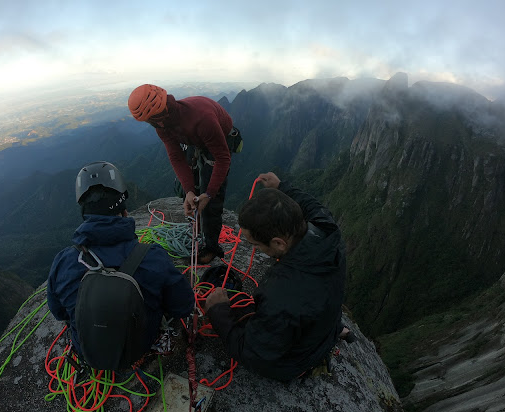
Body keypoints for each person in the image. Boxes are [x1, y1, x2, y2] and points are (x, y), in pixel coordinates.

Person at [204, 172, 351, 382]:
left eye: (255, 244)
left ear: (279, 243)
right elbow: (311, 205)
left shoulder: (281, 293)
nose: (253, 248)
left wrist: (218, 312)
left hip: (297, 360)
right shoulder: (328, 231)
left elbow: (253, 354)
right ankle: (335, 331)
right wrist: (282, 187)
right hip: (324, 322)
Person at [47, 161, 194, 364]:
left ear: (84, 214)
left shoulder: (63, 262)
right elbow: (183, 306)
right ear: (125, 212)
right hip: (138, 347)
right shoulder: (153, 257)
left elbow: (59, 312)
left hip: (87, 352)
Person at [127, 84, 240, 263]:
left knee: (211, 200)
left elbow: (223, 157)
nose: (157, 125)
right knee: (186, 189)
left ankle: (211, 247)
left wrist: (209, 193)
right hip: (193, 138)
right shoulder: (161, 125)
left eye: (156, 119)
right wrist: (189, 191)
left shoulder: (202, 119)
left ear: (162, 111)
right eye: (152, 122)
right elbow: (176, 157)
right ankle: (197, 228)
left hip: (218, 139)